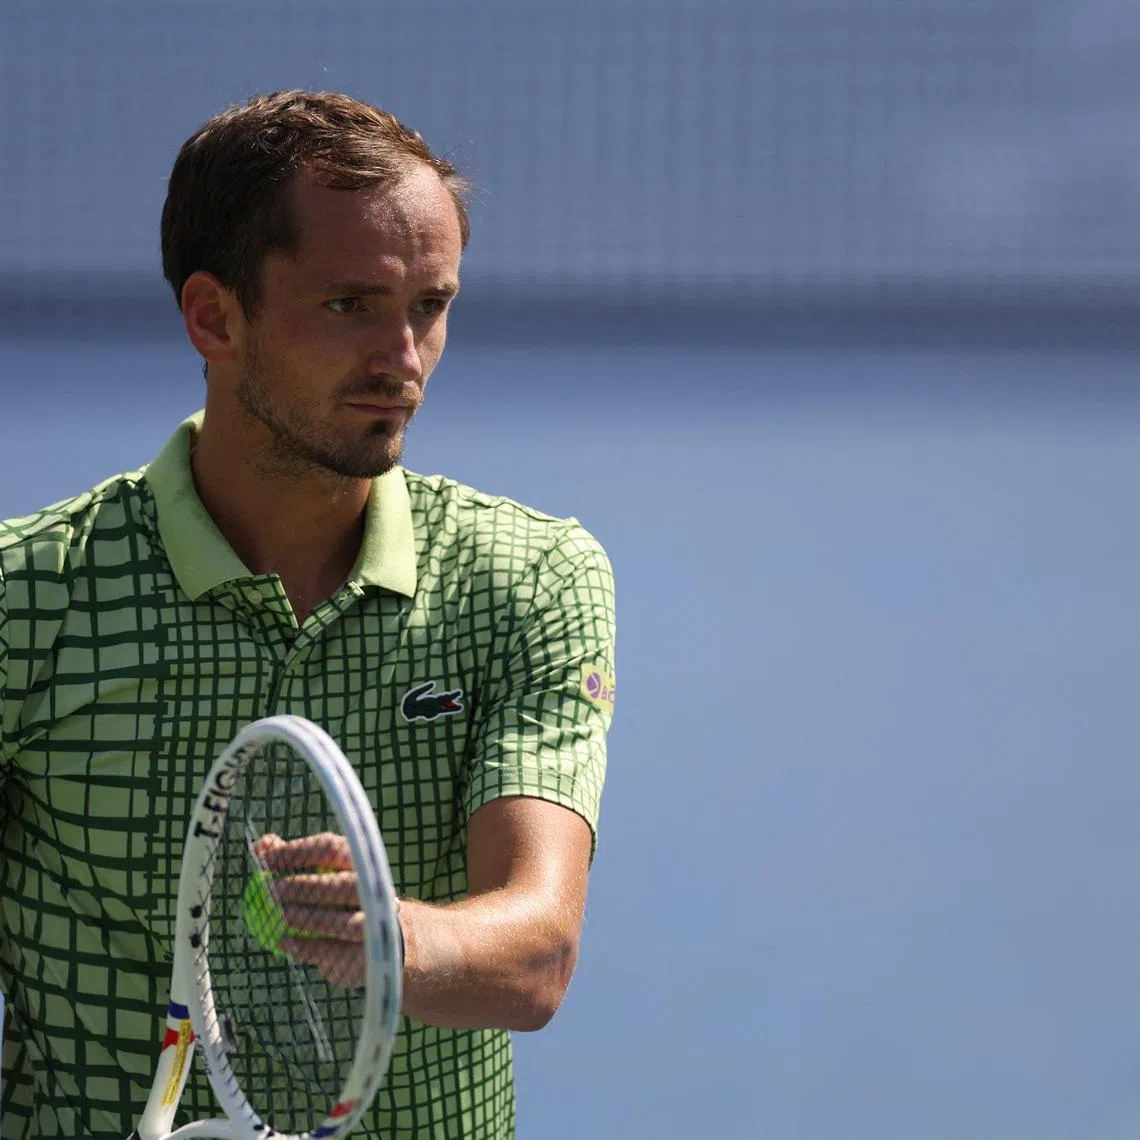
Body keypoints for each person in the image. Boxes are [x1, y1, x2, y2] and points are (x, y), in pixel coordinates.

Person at [0, 91, 616, 1139]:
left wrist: (390, 937)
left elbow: (535, 955)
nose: (403, 358)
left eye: (431, 304)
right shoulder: (27, 600)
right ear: (214, 316)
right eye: (351, 306)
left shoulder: (531, 581)